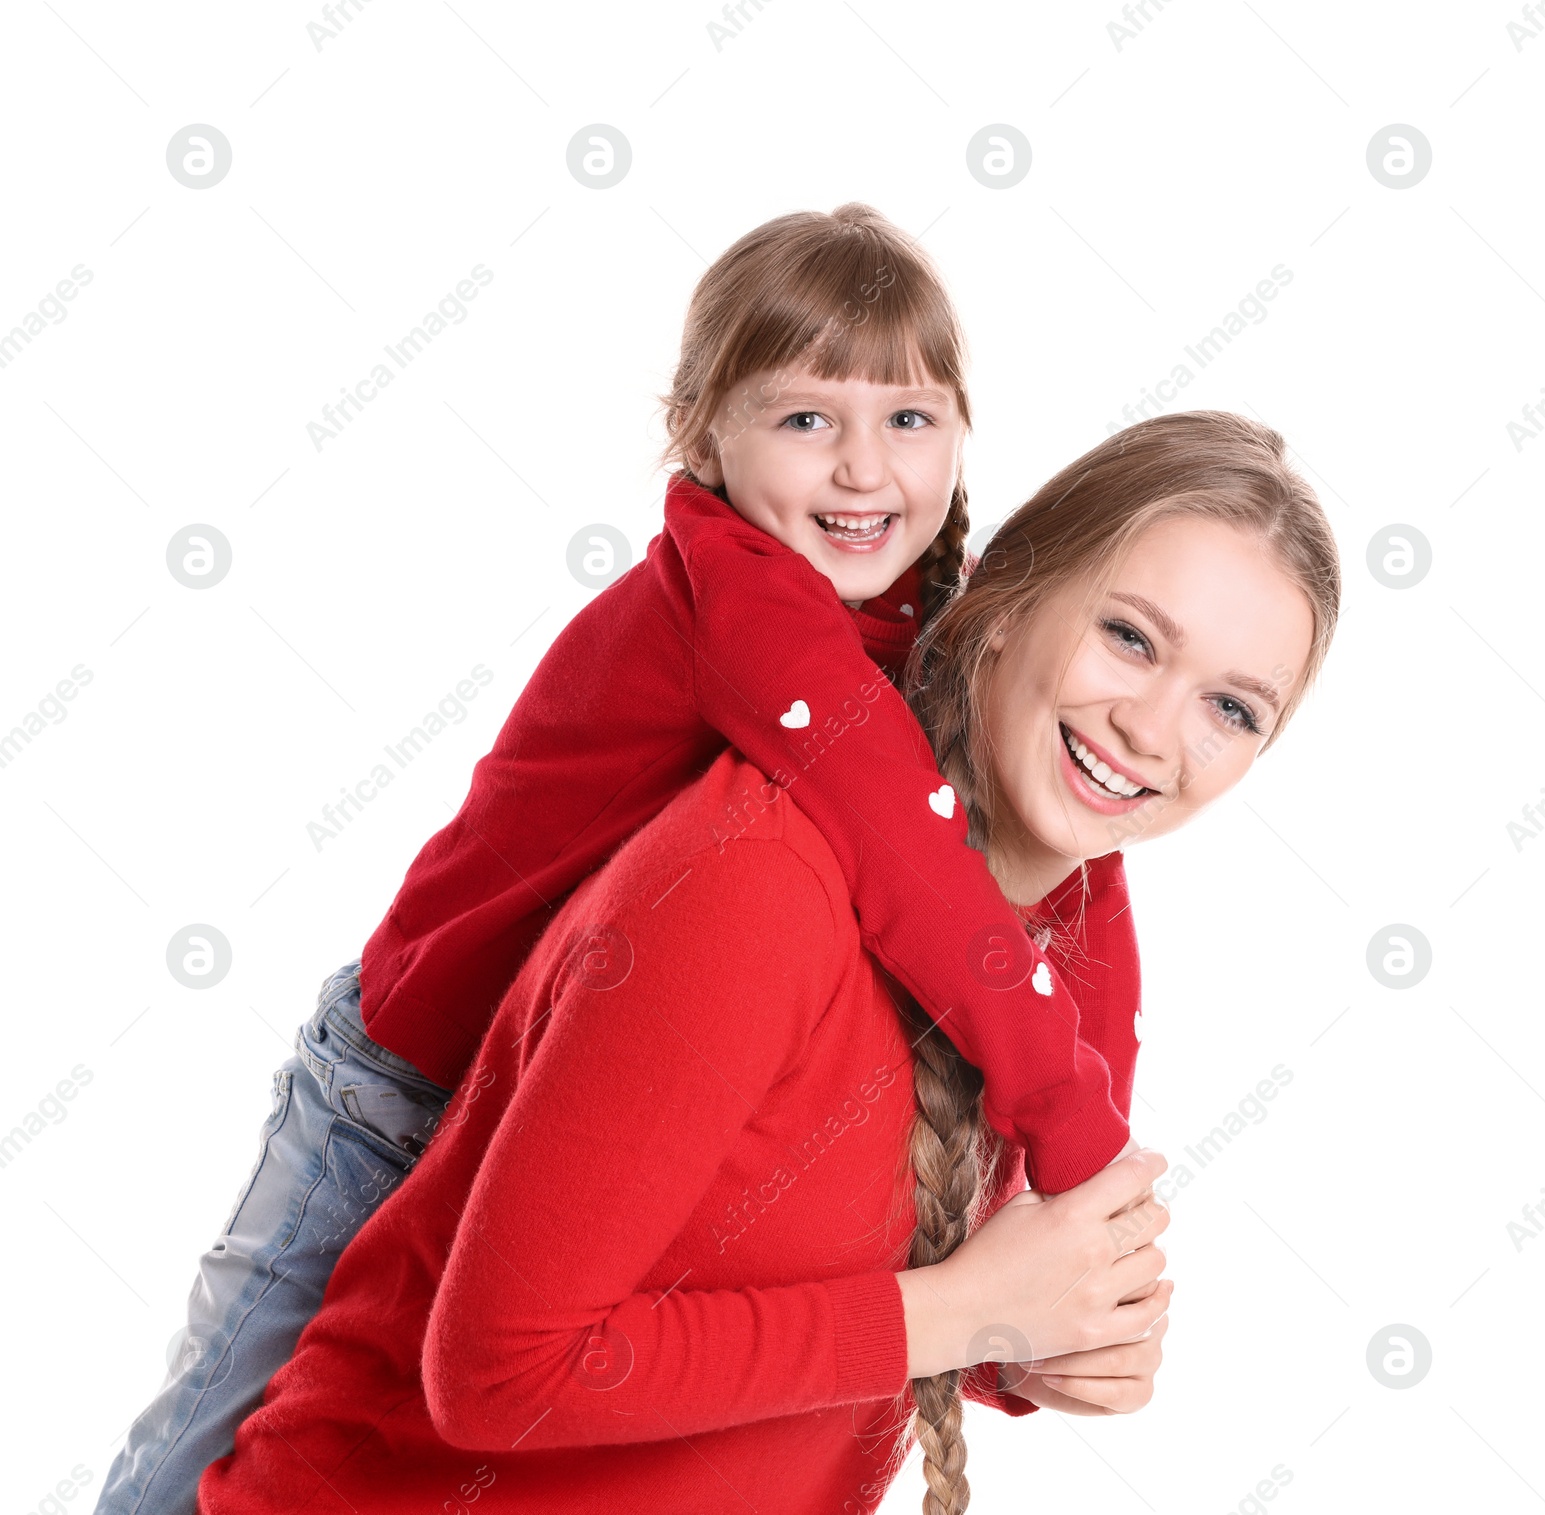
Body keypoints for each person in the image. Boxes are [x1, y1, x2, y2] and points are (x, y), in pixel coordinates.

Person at [99, 204, 1145, 1514]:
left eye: (911, 420)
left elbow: (1062, 854)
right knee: (218, 1427)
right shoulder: (743, 595)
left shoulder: (935, 605)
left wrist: (1078, 1205)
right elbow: (901, 831)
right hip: (400, 1083)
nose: (865, 470)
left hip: (558, 1081)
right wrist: (1069, 1112)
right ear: (705, 434)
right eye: (807, 419)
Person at [196, 410, 1342, 1515]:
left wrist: (1032, 1342)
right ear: (1005, 603)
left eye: (1231, 710)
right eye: (1130, 637)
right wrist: (955, 1313)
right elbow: (502, 1370)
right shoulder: (756, 881)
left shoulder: (1082, 939)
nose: (1152, 729)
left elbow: (872, 1283)